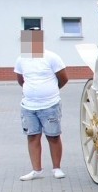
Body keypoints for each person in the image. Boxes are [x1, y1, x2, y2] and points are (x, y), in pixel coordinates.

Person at [14, 29, 69, 181]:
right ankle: (36, 170)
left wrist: (50, 91)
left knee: (53, 136)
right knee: (32, 137)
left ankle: (57, 168)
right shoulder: (21, 60)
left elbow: (63, 78)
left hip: (50, 105)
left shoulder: (52, 57)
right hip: (29, 107)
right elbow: (21, 79)